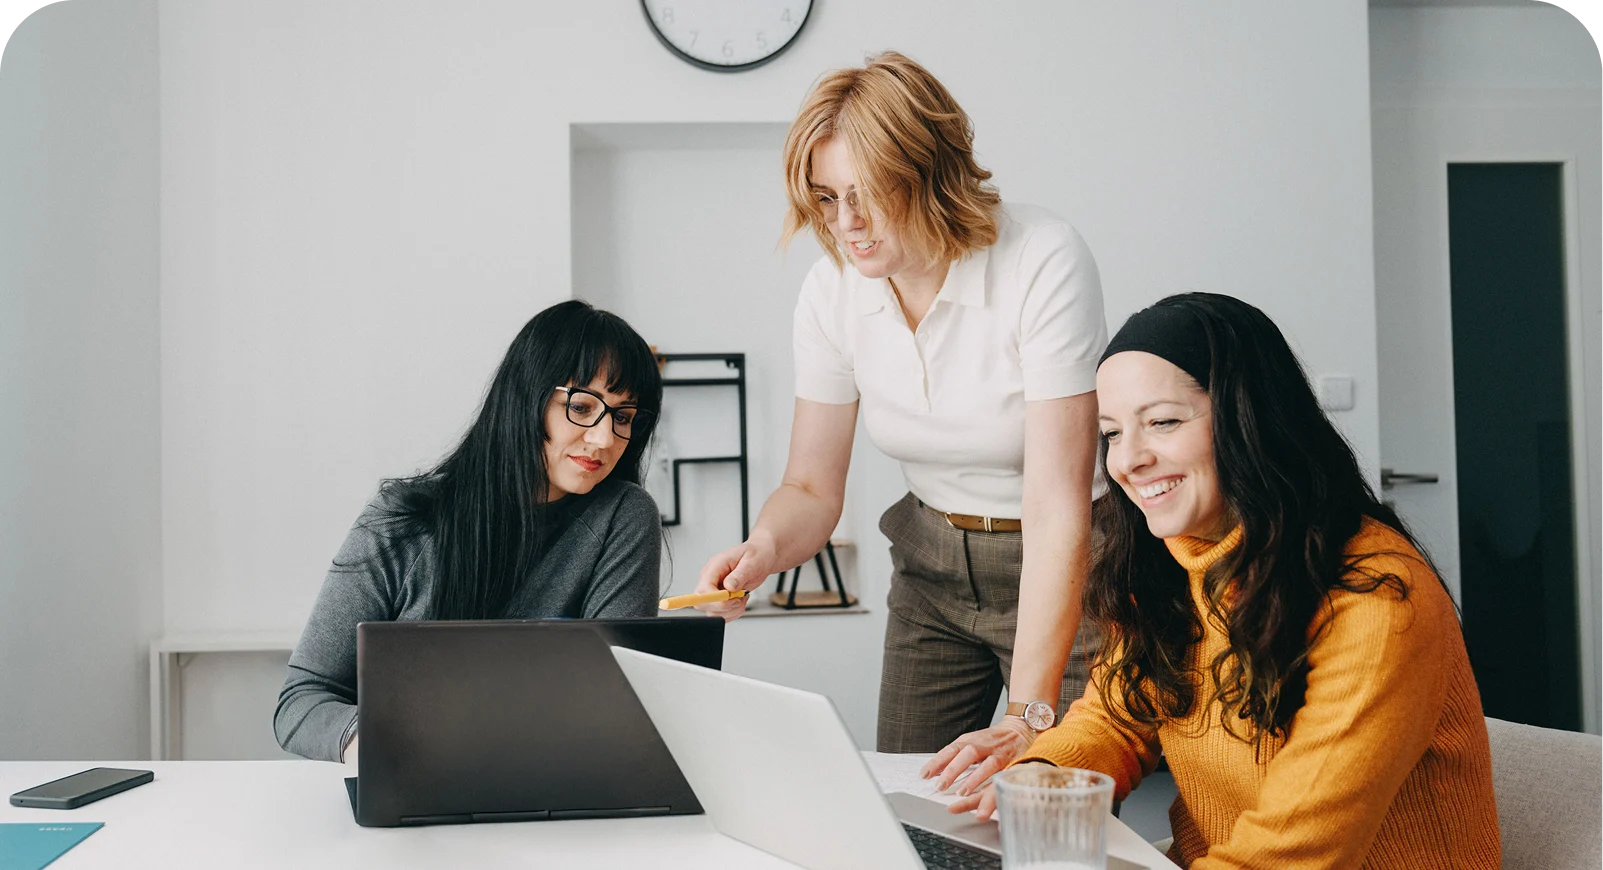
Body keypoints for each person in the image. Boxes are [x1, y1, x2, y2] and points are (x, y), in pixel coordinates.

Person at [952, 292, 1500, 869]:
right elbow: (1116, 714)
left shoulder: (1376, 599)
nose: (1127, 460)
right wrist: (1044, 776)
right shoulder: (1176, 557)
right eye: (1111, 434)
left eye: (1161, 422)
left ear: (1250, 418)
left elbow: (1292, 855)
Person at [695, 51, 1107, 772]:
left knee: (1043, 800)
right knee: (913, 801)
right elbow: (811, 489)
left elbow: (1057, 506)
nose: (845, 224)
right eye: (825, 198)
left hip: (1064, 567)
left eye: (868, 193)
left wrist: (1026, 715)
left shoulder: (1040, 257)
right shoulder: (832, 293)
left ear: (930, 170)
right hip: (931, 570)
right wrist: (763, 550)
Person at [274, 300, 666, 763]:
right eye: (581, 407)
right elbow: (301, 699)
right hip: (412, 785)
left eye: (623, 417)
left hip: (554, 790)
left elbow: (618, 703)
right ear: (527, 397)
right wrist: (373, 746)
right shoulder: (401, 520)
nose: (604, 439)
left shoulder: (623, 516)